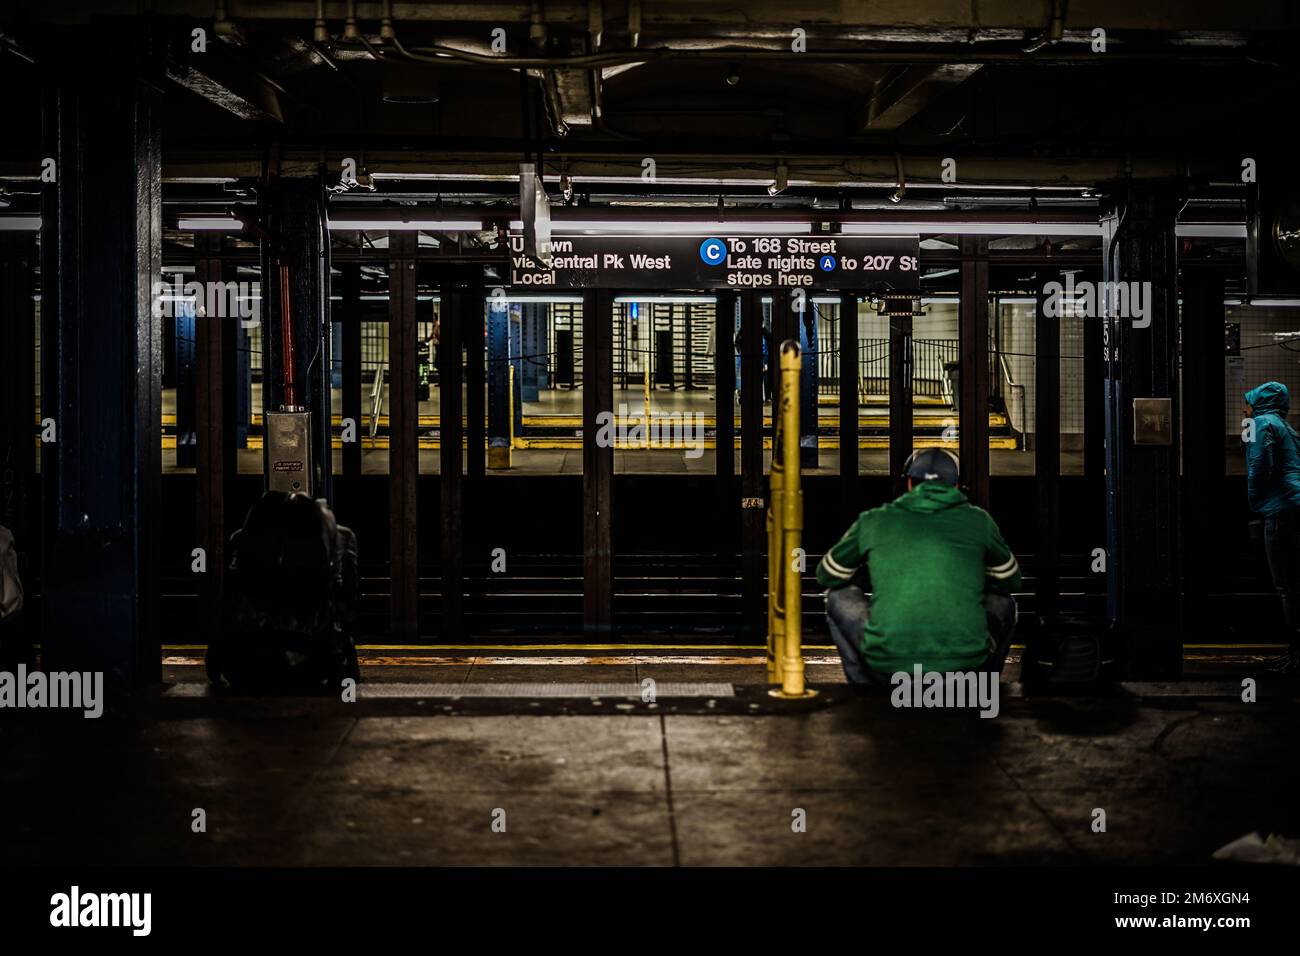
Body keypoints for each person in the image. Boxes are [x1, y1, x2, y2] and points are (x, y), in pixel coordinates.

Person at [816, 448, 1021, 687]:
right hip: (965, 668)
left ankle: (867, 691)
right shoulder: (979, 520)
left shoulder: (874, 519)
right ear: (955, 486)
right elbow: (1011, 580)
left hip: (889, 667)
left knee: (838, 597)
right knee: (1005, 603)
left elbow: (827, 574)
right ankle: (982, 690)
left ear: (910, 484)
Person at [1244, 381, 1300, 674]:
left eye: (1249, 402)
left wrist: (1255, 499)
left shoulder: (1261, 424)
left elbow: (1258, 465)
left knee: (1286, 587)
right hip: (1295, 506)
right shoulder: (1285, 426)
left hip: (1279, 511)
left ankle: (1295, 654)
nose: (1246, 407)